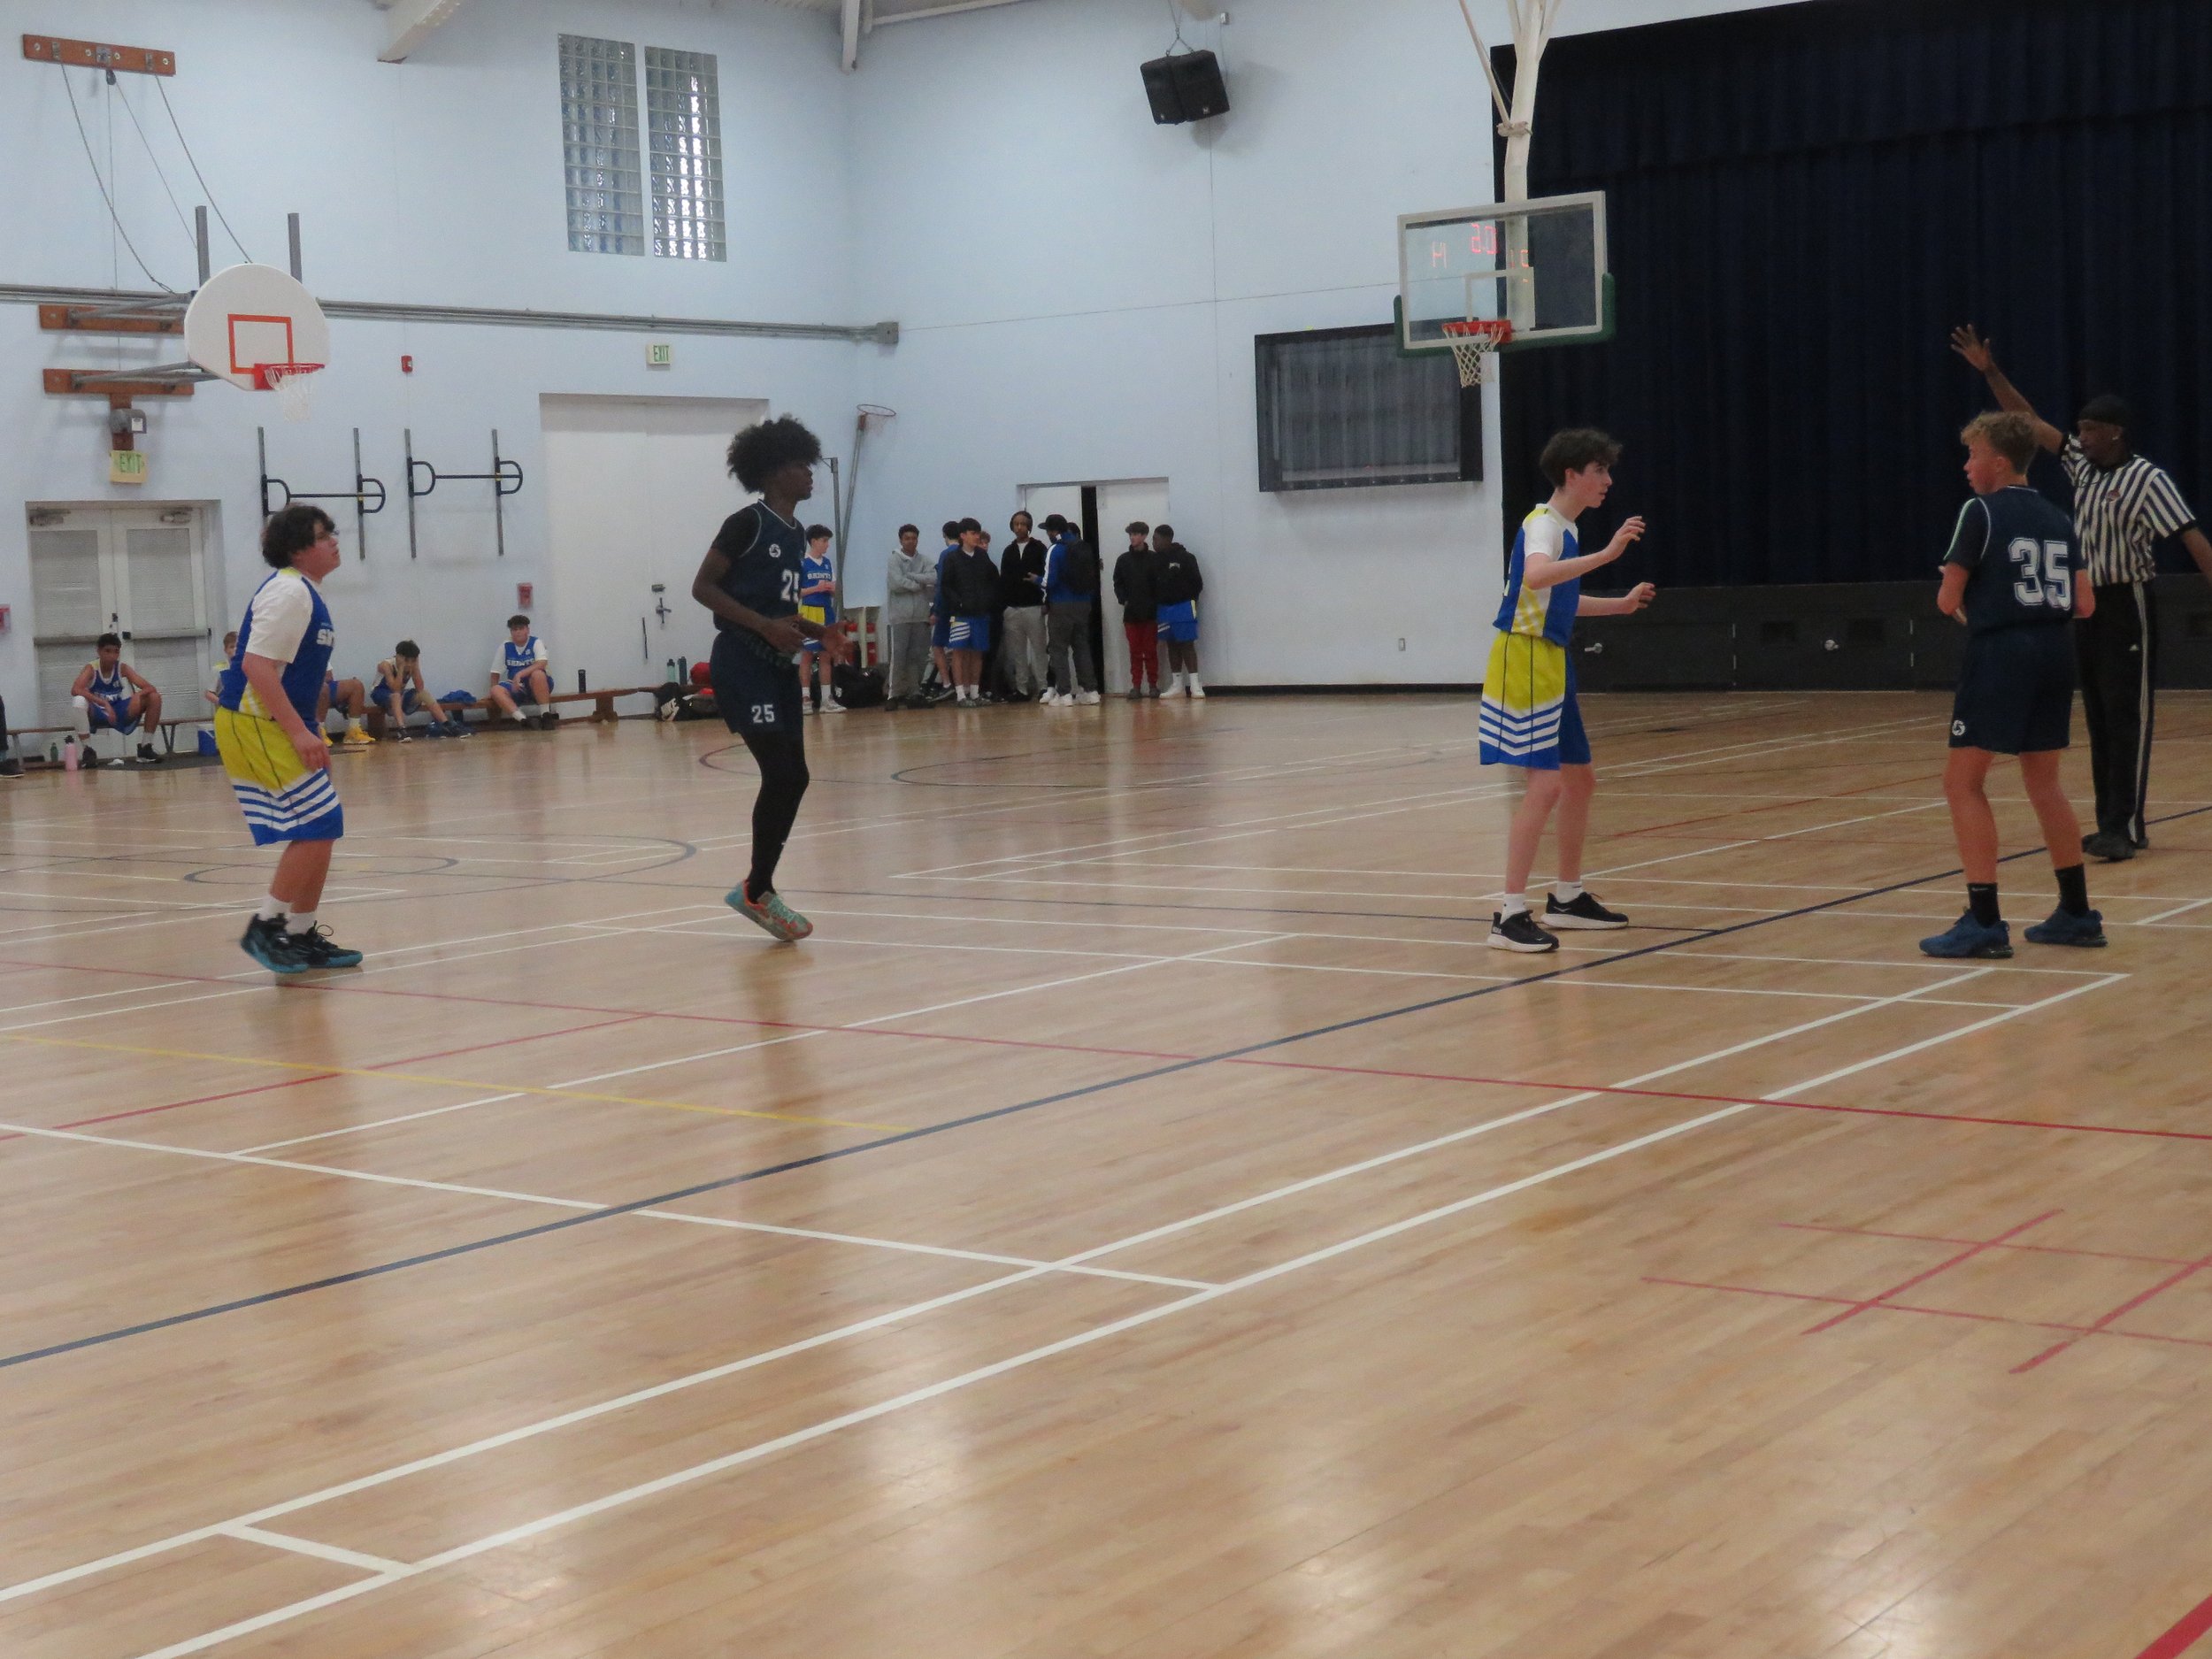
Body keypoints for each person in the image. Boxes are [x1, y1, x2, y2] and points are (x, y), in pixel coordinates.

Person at [1950, 326, 2212, 861]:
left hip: (2128, 602)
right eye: (2081, 428)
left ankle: (2127, 826)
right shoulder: (2080, 467)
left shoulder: (2147, 478)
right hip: (2085, 604)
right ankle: (2107, 822)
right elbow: (2026, 422)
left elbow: (2192, 537)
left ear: (2116, 433)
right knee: (2097, 716)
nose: (2081, 436)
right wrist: (1990, 371)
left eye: (2091, 429)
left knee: (2126, 715)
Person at [1922, 413, 2105, 956]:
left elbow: (1947, 601)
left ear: (1999, 463)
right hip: (2056, 653)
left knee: (1963, 783)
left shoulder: (1979, 511)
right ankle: (2077, 913)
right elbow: (2085, 604)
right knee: (2045, 783)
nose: (1967, 466)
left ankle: (1984, 921)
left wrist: (1970, 601)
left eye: (1973, 455)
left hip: (2003, 654)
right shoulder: (2058, 516)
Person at [1479, 428, 1655, 953]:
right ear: (1571, 474)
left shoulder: (1565, 530)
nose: (1608, 480)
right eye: (1599, 470)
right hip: (1525, 658)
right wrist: (1608, 554)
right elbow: (1536, 578)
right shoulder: (1543, 525)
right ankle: (1508, 914)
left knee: (1580, 779)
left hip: (1552, 658)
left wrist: (1619, 605)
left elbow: (1558, 599)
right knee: (1546, 785)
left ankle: (1568, 898)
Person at [691, 414, 853, 942]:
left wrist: (821, 633)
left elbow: (779, 610)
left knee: (794, 776)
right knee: (782, 772)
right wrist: (763, 627)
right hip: (742, 661)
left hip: (777, 663)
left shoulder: (796, 532)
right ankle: (757, 889)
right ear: (773, 470)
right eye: (801, 465)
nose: (810, 473)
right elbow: (703, 588)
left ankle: (759, 887)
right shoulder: (747, 523)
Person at [213, 503, 365, 973]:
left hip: (277, 723)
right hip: (255, 722)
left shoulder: (305, 591)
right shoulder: (289, 592)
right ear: (298, 550)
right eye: (323, 536)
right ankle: (266, 928)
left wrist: (311, 730)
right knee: (318, 823)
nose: (334, 541)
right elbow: (256, 666)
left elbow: (294, 676)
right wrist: (298, 731)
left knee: (323, 825)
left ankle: (299, 934)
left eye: (332, 533)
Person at [72, 634, 163, 764]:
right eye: (107, 651)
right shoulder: (91, 668)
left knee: (154, 697)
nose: (112, 656)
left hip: (118, 711)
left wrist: (137, 695)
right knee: (79, 700)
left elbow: (150, 687)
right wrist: (104, 703)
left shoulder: (122, 668)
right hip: (97, 712)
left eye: (116, 652)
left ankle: (145, 747)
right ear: (99, 651)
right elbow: (75, 689)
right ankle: (88, 751)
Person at [1039, 513, 1101, 705]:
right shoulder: (1082, 546)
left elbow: (1049, 581)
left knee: (1058, 649)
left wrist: (1035, 580)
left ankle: (1064, 694)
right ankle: (1090, 691)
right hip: (1084, 603)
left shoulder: (1055, 549)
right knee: (1082, 647)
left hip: (1061, 604)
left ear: (1053, 531)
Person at [941, 518, 1002, 706]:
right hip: (961, 615)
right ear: (962, 535)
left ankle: (975, 693)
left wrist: (987, 601)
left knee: (977, 653)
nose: (977, 537)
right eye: (973, 533)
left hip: (981, 614)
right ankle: (961, 695)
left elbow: (993, 581)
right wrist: (958, 603)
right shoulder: (952, 558)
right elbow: (946, 585)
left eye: (978, 533)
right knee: (958, 652)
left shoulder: (983, 557)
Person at [999, 510, 1049, 700]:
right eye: (1016, 524)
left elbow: (1048, 576)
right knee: (1017, 652)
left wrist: (1046, 601)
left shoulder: (1039, 548)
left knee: (1039, 650)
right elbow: (1004, 579)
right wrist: (1004, 606)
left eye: (1023, 524)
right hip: (1012, 608)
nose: (1019, 527)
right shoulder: (1008, 551)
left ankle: (1043, 687)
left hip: (1034, 606)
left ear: (1029, 526)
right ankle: (1021, 689)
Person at [884, 523, 935, 708]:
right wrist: (918, 585)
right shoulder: (894, 560)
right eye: (907, 538)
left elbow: (933, 577)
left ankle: (914, 692)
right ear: (901, 540)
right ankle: (893, 694)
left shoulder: (924, 560)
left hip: (920, 615)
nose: (911, 541)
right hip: (900, 617)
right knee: (898, 657)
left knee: (917, 656)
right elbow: (896, 583)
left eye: (914, 538)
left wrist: (912, 576)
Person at [372, 641, 469, 740]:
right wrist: (401, 668)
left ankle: (447, 724)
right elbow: (395, 689)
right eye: (407, 660)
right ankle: (401, 729)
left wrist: (416, 667)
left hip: (399, 695)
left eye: (413, 660)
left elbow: (420, 688)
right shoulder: (386, 665)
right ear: (399, 657)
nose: (409, 664)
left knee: (424, 693)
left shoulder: (412, 665)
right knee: (396, 696)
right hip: (381, 694)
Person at [1152, 526, 1205, 698]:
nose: (1153, 543)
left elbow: (1197, 583)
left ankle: (1195, 685)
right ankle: (1177, 685)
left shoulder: (1186, 558)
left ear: (1167, 539)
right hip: (1163, 608)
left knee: (1187, 644)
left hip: (1183, 606)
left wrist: (1188, 599)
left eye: (1156, 539)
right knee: (1171, 644)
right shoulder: (1155, 560)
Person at [798, 526, 844, 715]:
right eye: (824, 541)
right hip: (809, 611)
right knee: (807, 654)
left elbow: (835, 589)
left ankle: (827, 699)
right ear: (814, 541)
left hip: (827, 612)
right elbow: (796, 592)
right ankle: (805, 698)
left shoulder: (827, 563)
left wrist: (832, 589)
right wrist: (816, 588)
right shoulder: (802, 562)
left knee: (826, 654)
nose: (827, 545)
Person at [1114, 520, 1162, 699]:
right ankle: (1136, 686)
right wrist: (1123, 600)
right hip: (1131, 613)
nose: (1132, 538)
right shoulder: (1123, 560)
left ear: (1144, 536)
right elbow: (1117, 583)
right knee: (1134, 651)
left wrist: (1156, 603)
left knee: (1150, 651)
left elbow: (1160, 584)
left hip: (1150, 613)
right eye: (1131, 534)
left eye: (1135, 534)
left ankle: (1153, 685)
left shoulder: (1154, 559)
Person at [488, 614, 558, 729]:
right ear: (511, 632)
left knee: (538, 674)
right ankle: (524, 720)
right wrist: (493, 693)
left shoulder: (536, 642)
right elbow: (495, 672)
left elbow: (542, 663)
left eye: (521, 628)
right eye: (515, 629)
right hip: (517, 687)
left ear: (527, 630)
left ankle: (546, 716)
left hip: (537, 684)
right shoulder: (505, 646)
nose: (518, 632)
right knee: (495, 690)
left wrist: (520, 674)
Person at [319, 670, 374, 749]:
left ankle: (353, 732)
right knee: (321, 688)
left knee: (356, 685)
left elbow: (329, 676)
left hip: (321, 684)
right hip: (303, 687)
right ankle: (317, 733)